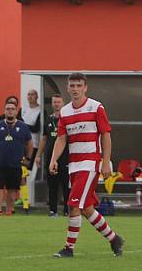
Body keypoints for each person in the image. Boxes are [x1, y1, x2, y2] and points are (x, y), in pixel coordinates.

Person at [49, 72, 124, 258]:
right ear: (68, 88)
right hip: (73, 166)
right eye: (72, 86)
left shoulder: (96, 107)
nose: (75, 89)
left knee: (73, 205)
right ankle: (114, 239)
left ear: (85, 87)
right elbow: (61, 138)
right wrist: (53, 159)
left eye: (78, 86)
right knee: (86, 208)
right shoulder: (65, 112)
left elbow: (106, 135)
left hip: (90, 164)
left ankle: (68, 248)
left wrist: (105, 163)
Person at [0, 100, 33, 216]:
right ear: (4, 111)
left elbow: (30, 143)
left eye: (12, 109)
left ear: (16, 112)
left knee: (12, 188)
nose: (10, 111)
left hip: (15, 163)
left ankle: (9, 210)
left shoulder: (23, 127)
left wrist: (27, 158)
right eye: (7, 109)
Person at [36, 93, 70, 216]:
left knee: (67, 185)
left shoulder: (67, 118)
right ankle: (53, 210)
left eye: (58, 102)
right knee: (52, 185)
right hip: (51, 157)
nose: (56, 104)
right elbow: (44, 138)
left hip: (65, 157)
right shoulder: (49, 119)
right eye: (54, 102)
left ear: (63, 103)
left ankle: (67, 210)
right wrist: (38, 155)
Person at [17, 89, 42, 214]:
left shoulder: (40, 111)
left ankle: (29, 199)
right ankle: (23, 199)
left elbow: (36, 127)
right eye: (29, 94)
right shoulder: (23, 109)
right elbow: (17, 122)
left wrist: (24, 126)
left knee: (30, 173)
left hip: (35, 145)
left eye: (33, 95)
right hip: (21, 144)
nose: (30, 97)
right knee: (23, 172)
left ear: (37, 97)